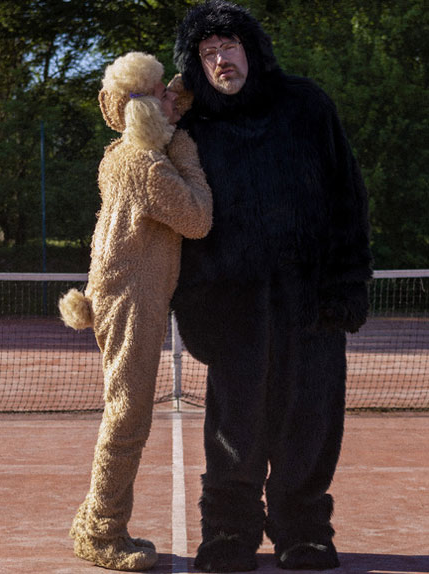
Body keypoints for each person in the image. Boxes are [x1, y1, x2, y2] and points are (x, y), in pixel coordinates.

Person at [170, 1, 372, 571]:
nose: (220, 60)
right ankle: (228, 533)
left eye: (229, 46)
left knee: (309, 421)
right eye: (207, 52)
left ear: (252, 49)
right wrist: (194, 305)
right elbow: (173, 221)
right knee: (233, 429)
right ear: (196, 64)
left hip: (310, 302)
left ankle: (303, 531)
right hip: (231, 307)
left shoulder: (306, 105)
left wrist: (346, 286)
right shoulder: (191, 127)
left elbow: (348, 197)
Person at [59, 51, 212, 571]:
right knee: (127, 416)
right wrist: (184, 149)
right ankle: (101, 532)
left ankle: (94, 521)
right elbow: (197, 219)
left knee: (124, 412)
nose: (173, 99)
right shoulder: (146, 165)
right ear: (144, 110)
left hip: (118, 294)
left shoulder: (120, 153)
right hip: (131, 300)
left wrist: (176, 97)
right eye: (161, 95)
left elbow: (171, 103)